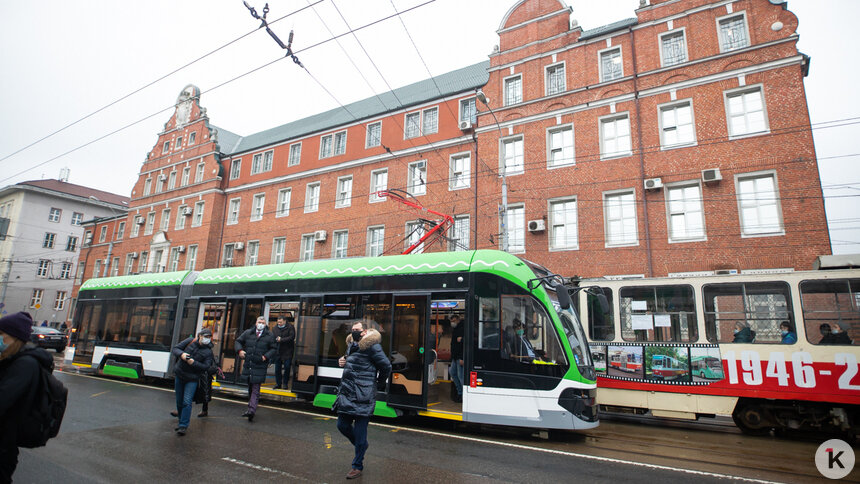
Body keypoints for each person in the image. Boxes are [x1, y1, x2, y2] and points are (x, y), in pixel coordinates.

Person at [334, 321, 391, 480]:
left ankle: (357, 466)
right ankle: (362, 446)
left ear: (365, 331)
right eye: (352, 330)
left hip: (363, 395)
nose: (354, 332)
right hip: (347, 392)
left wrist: (378, 384)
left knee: (360, 433)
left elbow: (386, 366)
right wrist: (341, 362)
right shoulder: (351, 345)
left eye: (357, 330)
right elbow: (348, 363)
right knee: (342, 425)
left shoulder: (373, 346)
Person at [0, 312, 53, 482]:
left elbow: (3, 399)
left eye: (1, 335)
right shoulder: (11, 359)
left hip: (3, 447)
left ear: (15, 338)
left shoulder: (25, 364)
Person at [171, 328, 214, 435]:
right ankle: (181, 420)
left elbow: (206, 367)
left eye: (209, 337)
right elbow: (175, 349)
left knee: (187, 401)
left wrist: (193, 363)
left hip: (193, 379)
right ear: (200, 336)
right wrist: (182, 354)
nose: (207, 339)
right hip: (180, 375)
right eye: (205, 336)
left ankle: (183, 426)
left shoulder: (208, 352)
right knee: (179, 401)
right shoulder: (190, 341)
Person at [235, 316, 276, 421]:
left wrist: (265, 356)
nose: (261, 324)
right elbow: (238, 341)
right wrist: (240, 351)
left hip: (260, 365)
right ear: (256, 323)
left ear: (265, 324)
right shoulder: (248, 333)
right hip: (249, 364)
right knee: (250, 387)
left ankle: (251, 410)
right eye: (259, 322)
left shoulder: (270, 335)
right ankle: (250, 407)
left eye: (263, 322)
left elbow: (274, 348)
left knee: (256, 388)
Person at [271, 316, 295, 390]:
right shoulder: (275, 328)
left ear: (285, 321)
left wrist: (282, 340)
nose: (279, 323)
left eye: (281, 322)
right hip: (278, 351)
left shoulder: (290, 327)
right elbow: (272, 337)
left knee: (287, 367)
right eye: (278, 322)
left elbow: (292, 337)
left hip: (288, 351)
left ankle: (285, 383)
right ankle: (278, 383)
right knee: (277, 369)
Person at [449, 315, 464, 403]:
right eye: (451, 321)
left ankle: (462, 394)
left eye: (454, 321)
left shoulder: (463, 328)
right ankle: (460, 392)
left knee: (460, 376)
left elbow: (463, 345)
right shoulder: (456, 329)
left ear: (458, 320)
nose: (452, 323)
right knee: (452, 372)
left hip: (459, 357)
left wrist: (462, 357)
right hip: (455, 356)